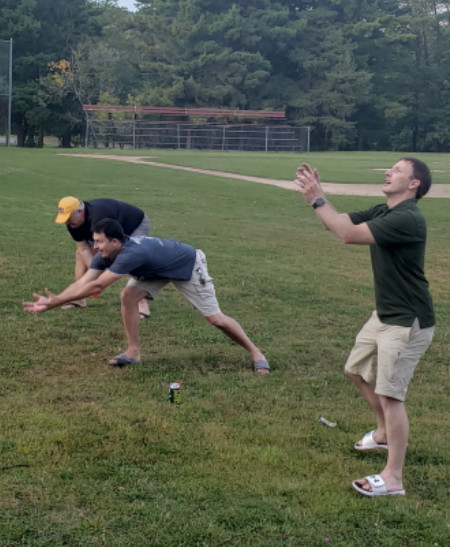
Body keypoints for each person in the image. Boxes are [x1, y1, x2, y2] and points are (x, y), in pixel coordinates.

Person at [295, 158, 434, 497]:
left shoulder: (407, 218)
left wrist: (317, 198)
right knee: (355, 371)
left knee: (391, 395)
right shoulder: (384, 210)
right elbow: (337, 223)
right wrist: (319, 197)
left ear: (414, 184)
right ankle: (384, 434)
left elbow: (347, 235)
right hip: (384, 315)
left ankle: (393, 478)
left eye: (398, 170)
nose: (389, 172)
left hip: (406, 321)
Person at [24, 219, 270, 374]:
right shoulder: (105, 253)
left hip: (186, 264)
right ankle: (133, 353)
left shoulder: (131, 254)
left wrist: (55, 303)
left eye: (99, 242)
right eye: (94, 241)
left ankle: (256, 353)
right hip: (154, 269)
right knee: (128, 297)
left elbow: (98, 286)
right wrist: (55, 300)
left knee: (215, 319)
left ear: (116, 242)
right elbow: (84, 282)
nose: (95, 247)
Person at [55, 196, 151, 319]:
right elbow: (83, 249)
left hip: (134, 225)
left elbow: (109, 247)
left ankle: (142, 305)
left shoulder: (99, 216)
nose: (67, 222)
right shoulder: (73, 223)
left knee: (126, 259)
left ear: (79, 212)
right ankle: (79, 298)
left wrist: (100, 278)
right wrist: (95, 277)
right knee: (80, 255)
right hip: (109, 231)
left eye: (68, 218)